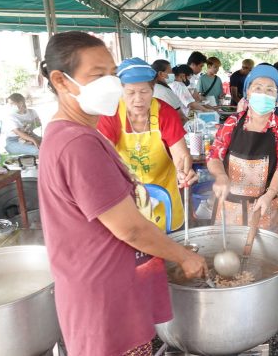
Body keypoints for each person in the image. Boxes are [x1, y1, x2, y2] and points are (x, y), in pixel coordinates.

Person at [37, 31, 207, 356]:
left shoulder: (71, 133)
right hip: (103, 297)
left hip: (108, 285)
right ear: (61, 80)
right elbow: (128, 227)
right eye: (98, 75)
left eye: (112, 73)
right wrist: (185, 256)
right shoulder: (78, 144)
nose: (112, 85)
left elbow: (178, 151)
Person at [97, 57, 198, 233]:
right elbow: (105, 159)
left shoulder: (165, 113)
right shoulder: (110, 114)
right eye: (130, 92)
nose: (138, 99)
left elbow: (181, 155)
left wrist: (184, 171)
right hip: (125, 196)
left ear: (153, 89)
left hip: (164, 194)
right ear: (121, 90)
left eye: (144, 91)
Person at [207, 65, 278, 235]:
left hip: (266, 205)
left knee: (266, 256)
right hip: (230, 205)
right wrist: (220, 176)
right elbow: (214, 155)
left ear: (276, 96)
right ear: (247, 92)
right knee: (228, 250)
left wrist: (269, 194)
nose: (263, 94)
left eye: (270, 90)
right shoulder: (232, 123)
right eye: (258, 88)